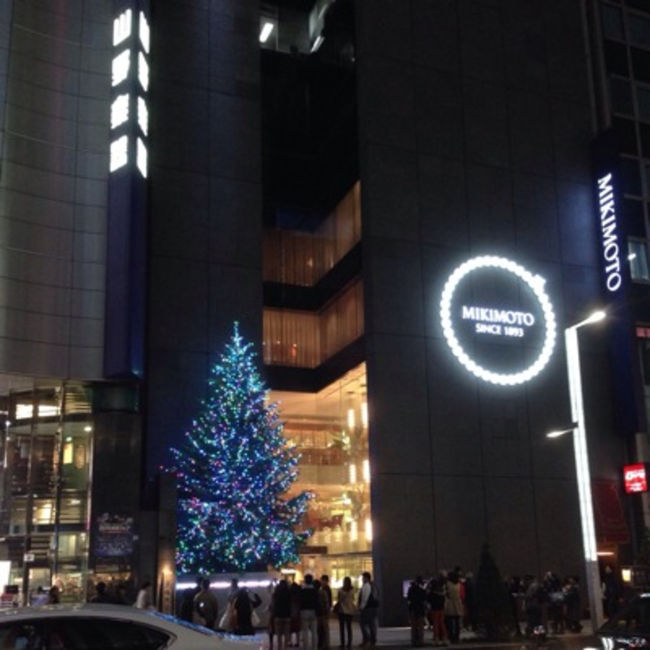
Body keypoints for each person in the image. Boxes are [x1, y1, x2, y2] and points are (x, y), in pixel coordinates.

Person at [358, 571, 379, 649]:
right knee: (372, 625)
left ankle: (368, 641)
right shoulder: (373, 585)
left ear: (366, 578)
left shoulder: (366, 586)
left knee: (364, 625)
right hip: (373, 609)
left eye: (363, 578)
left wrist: (361, 607)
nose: (362, 579)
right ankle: (371, 641)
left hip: (367, 609)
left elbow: (365, 598)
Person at [300, 574, 320, 650]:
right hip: (313, 612)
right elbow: (317, 602)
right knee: (314, 632)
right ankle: (314, 647)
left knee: (305, 632)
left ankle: (306, 647)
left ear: (305, 580)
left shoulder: (302, 591)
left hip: (304, 611)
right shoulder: (315, 591)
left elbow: (300, 602)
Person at [271, 580, 292, 650]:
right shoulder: (289, 592)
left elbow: (273, 603)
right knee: (286, 633)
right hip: (287, 615)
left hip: (278, 615)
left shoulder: (276, 593)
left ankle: (279, 647)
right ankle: (285, 647)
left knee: (279, 634)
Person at [426, 576, 447, 646]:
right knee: (442, 624)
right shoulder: (441, 592)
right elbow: (444, 600)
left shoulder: (432, 593)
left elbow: (428, 600)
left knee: (435, 624)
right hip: (441, 609)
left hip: (434, 609)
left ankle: (436, 639)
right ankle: (444, 639)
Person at [335, 576, 356, 648]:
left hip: (342, 610)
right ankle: (349, 643)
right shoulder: (352, 590)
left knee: (342, 628)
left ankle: (342, 643)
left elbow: (339, 600)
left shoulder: (340, 591)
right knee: (349, 627)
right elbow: (353, 599)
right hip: (350, 610)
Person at [407, 577, 427, 647]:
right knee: (420, 626)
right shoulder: (422, 590)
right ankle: (420, 641)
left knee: (414, 626)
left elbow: (408, 600)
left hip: (413, 609)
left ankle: (414, 641)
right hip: (420, 610)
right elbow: (424, 600)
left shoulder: (411, 589)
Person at [443, 572, 463, 644]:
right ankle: (456, 637)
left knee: (450, 622)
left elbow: (445, 593)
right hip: (457, 604)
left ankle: (451, 636)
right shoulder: (458, 584)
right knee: (457, 622)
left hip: (450, 604)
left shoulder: (448, 584)